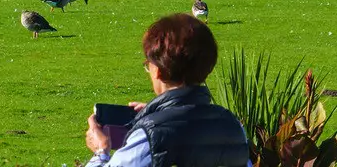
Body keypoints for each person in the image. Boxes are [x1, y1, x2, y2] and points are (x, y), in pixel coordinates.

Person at [83, 13, 249, 167]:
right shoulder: (233, 126)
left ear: (158, 71)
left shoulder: (150, 137)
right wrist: (160, 113)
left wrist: (101, 152)